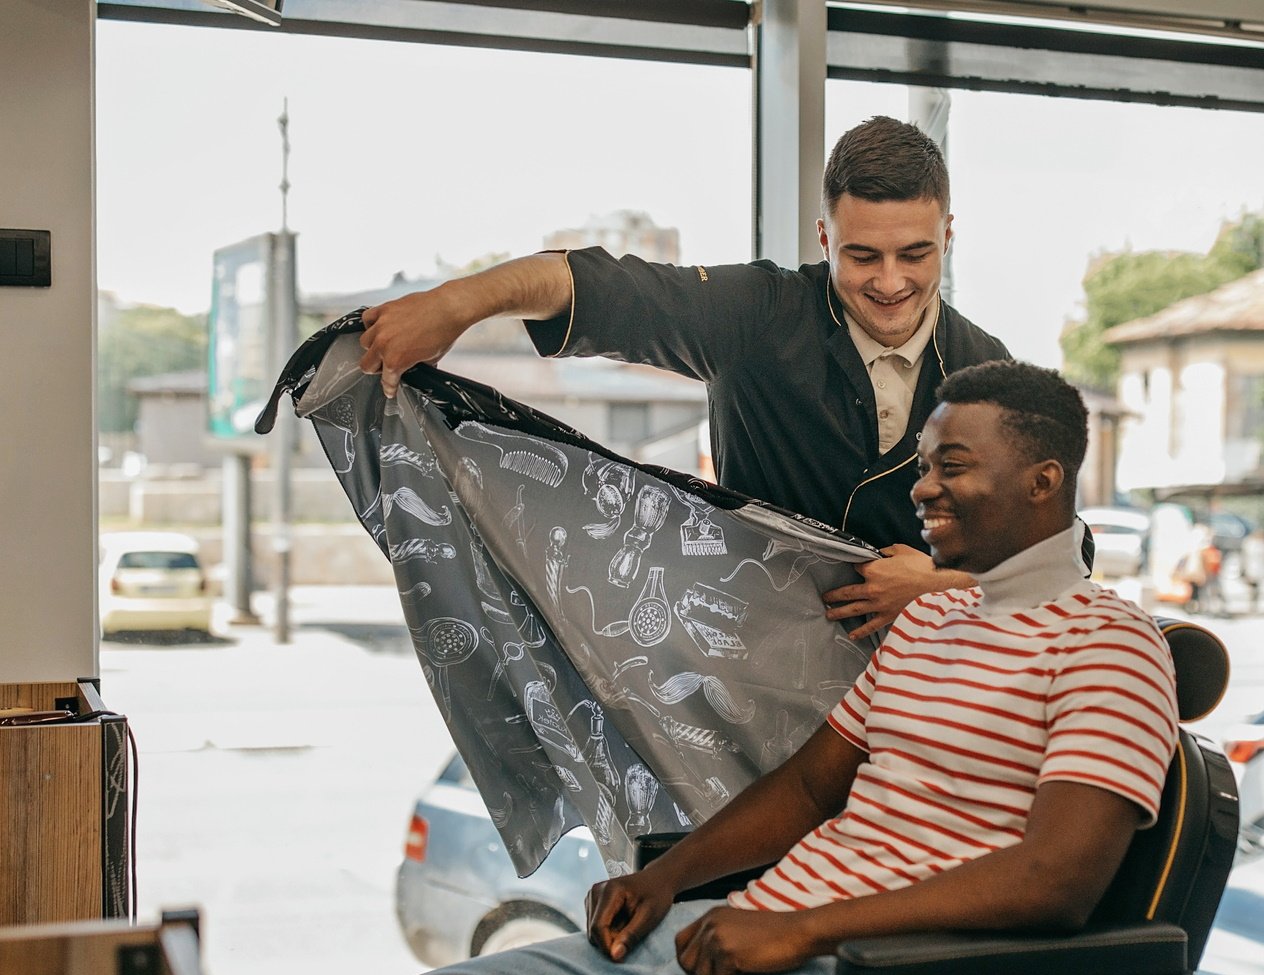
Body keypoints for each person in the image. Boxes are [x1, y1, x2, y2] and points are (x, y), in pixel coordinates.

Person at [414, 361, 1177, 975]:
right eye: (923, 466)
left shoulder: (1110, 644)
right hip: (750, 933)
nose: (922, 488)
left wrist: (801, 932)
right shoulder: (929, 619)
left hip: (866, 961)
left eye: (953, 466)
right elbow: (811, 786)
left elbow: (1056, 882)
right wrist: (665, 878)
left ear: (1042, 483)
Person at [357, 116, 1012, 642]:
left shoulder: (991, 371)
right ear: (823, 237)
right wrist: (452, 306)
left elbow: (1066, 557)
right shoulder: (759, 314)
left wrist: (938, 588)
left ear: (948, 236)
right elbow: (595, 286)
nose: (891, 282)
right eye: (862, 255)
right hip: (757, 673)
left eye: (915, 254)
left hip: (922, 706)